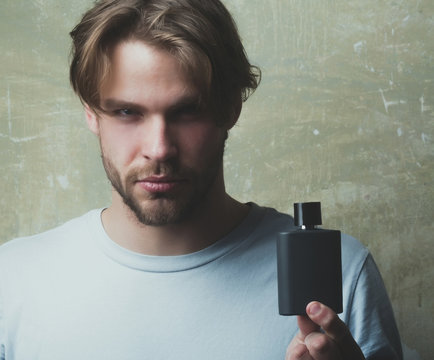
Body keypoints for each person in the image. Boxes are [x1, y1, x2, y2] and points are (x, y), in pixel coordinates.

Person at [0, 1, 403, 359]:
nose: (158, 148)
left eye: (187, 111)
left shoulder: (342, 275)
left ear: (230, 108)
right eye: (127, 112)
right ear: (91, 113)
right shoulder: (14, 281)